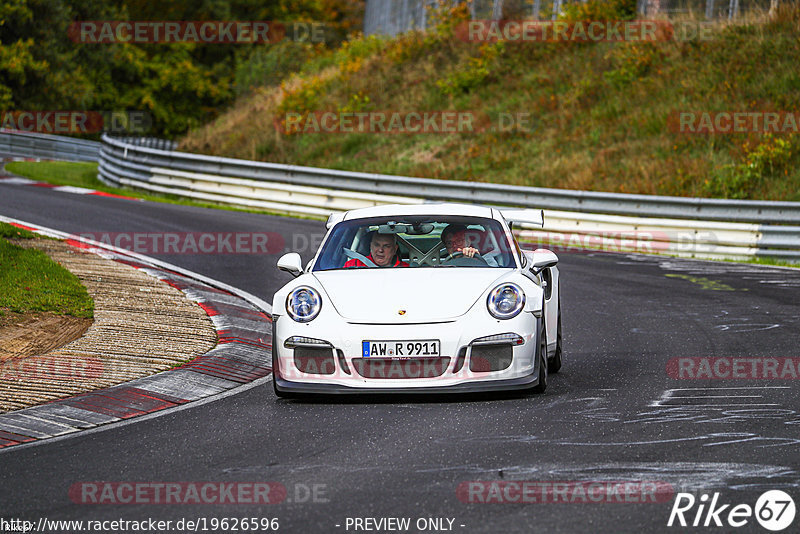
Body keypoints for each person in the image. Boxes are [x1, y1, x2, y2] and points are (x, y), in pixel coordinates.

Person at [344, 232, 409, 268]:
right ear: (371, 246)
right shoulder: (353, 265)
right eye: (377, 245)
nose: (380, 250)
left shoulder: (406, 269)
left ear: (395, 249)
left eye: (386, 246)